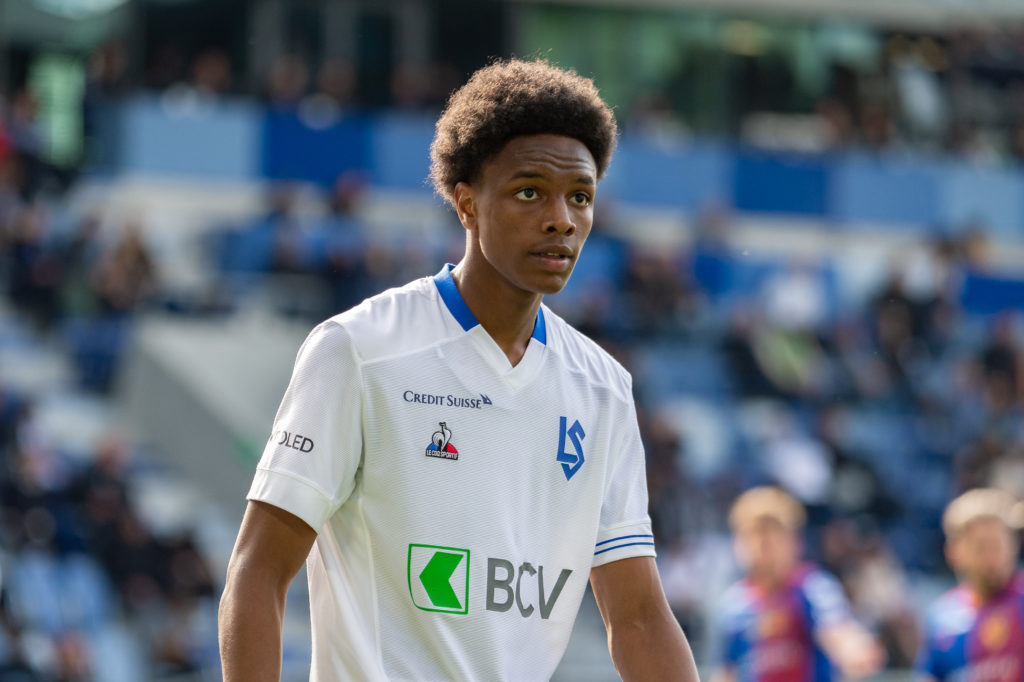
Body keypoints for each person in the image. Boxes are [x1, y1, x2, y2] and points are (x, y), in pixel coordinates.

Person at [218, 58, 699, 682]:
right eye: (530, 191)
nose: (562, 219)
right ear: (467, 203)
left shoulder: (603, 387)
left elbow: (636, 616)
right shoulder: (359, 350)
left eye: (580, 197)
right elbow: (257, 572)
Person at [713, 486, 884, 682]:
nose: (763, 545)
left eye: (772, 534)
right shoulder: (732, 605)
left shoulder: (812, 588)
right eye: (753, 534)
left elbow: (836, 629)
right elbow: (726, 672)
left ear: (794, 541)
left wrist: (854, 648)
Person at [917, 488, 1024, 682]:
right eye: (981, 547)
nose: (992, 557)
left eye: (998, 545)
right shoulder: (942, 619)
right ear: (953, 552)